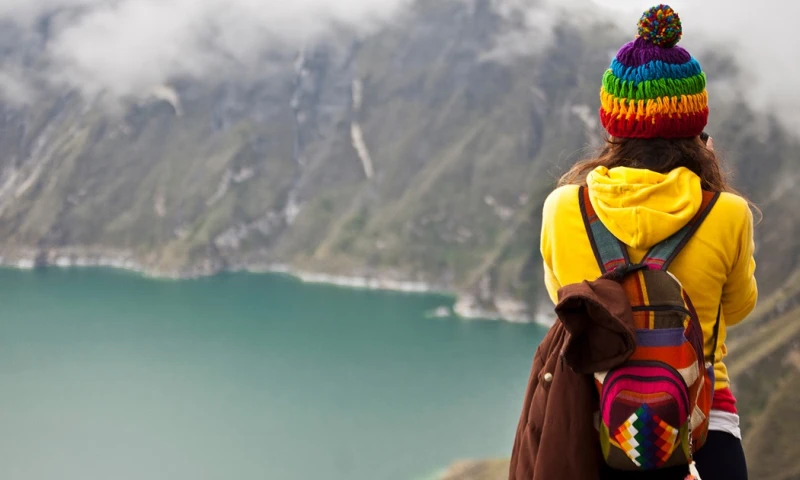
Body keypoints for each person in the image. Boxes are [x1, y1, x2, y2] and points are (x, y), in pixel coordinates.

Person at [538, 5, 757, 480]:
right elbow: (736, 309)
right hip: (700, 427)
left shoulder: (562, 208)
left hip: (595, 427)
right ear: (697, 126)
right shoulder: (727, 213)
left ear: (611, 124)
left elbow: (564, 300)